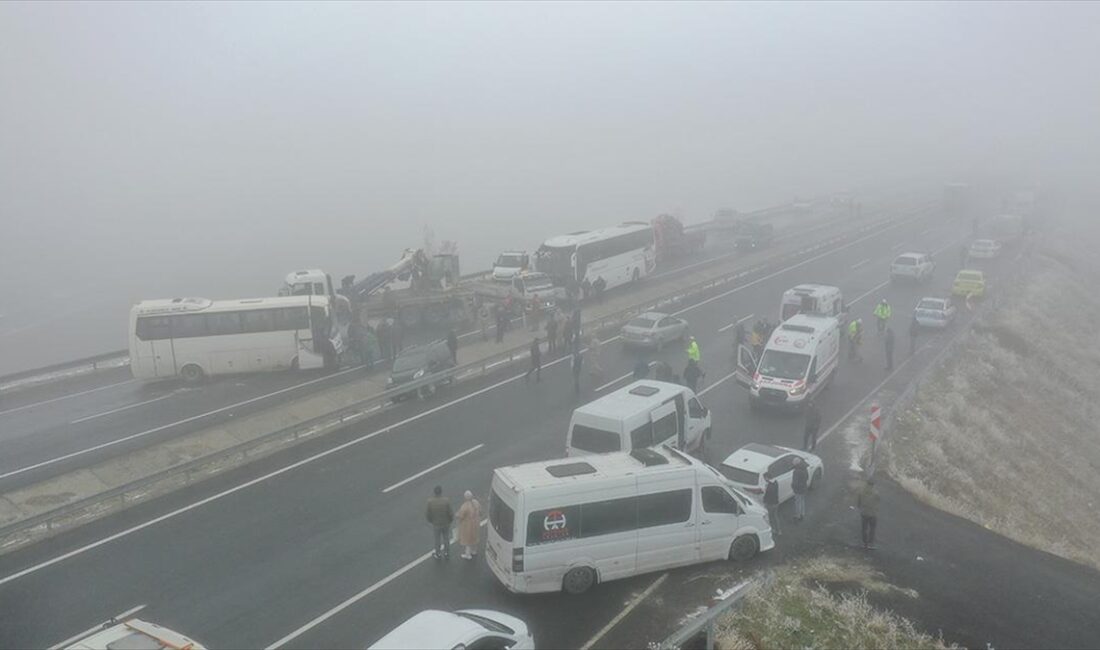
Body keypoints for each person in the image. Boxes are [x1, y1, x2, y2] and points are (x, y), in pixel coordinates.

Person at [426, 485, 454, 560]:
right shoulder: (446, 501)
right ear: (441, 492)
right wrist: (450, 520)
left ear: (434, 493)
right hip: (446, 523)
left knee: (437, 539)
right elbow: (450, 513)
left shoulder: (430, 502)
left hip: (436, 524)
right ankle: (447, 552)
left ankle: (438, 553)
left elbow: (428, 514)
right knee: (446, 538)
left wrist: (431, 521)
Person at [456, 490, 482, 560]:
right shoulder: (476, 502)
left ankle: (468, 554)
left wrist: (457, 515)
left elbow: (461, 516)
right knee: (475, 538)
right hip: (476, 523)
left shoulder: (464, 506)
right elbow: (480, 511)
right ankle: (474, 551)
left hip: (468, 525)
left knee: (468, 540)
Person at [857, 478, 879, 549]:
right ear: (873, 485)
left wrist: (861, 507)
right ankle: (870, 543)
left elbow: (859, 503)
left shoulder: (862, 491)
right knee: (872, 529)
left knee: (864, 528)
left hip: (864, 513)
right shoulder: (876, 493)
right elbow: (878, 502)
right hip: (873, 514)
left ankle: (864, 543)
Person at [763, 472, 780, 537]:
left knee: (770, 517)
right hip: (776, 502)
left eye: (765, 478)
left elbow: (767, 495)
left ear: (767, 477)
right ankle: (779, 530)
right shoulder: (776, 482)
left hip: (770, 503)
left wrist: (764, 501)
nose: (764, 479)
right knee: (775, 516)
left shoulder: (769, 485)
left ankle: (771, 529)